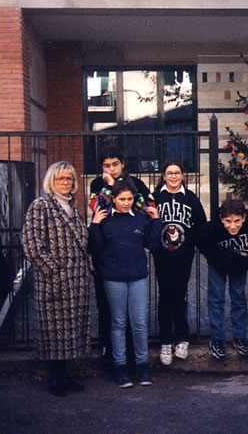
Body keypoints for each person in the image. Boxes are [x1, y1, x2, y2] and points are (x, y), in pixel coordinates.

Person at [22, 161, 92, 397]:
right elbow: (32, 246)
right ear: (50, 182)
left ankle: (66, 375)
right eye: (61, 178)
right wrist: (55, 271)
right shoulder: (40, 206)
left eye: (69, 179)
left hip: (77, 280)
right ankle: (55, 378)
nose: (65, 183)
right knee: (55, 331)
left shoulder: (75, 207)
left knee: (71, 329)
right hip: (55, 280)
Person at [88, 181, 162, 388]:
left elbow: (153, 244)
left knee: (139, 323)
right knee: (118, 323)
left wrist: (156, 221)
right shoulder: (105, 220)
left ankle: (142, 364)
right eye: (122, 199)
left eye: (130, 199)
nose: (126, 203)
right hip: (113, 278)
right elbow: (95, 248)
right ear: (113, 199)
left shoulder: (140, 219)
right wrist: (94, 224)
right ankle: (120, 366)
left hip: (137, 276)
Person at [88, 147, 155, 364]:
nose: (111, 169)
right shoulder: (97, 184)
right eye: (106, 166)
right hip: (106, 252)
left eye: (115, 164)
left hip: (129, 251)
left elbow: (146, 207)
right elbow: (98, 209)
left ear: (123, 163)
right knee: (107, 306)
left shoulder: (136, 183)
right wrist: (108, 186)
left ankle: (132, 355)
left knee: (133, 314)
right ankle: (110, 352)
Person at [152, 160, 207, 366]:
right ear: (163, 176)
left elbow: (201, 223)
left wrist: (191, 242)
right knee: (165, 295)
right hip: (162, 255)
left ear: (183, 175)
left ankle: (181, 338)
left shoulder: (190, 198)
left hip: (183, 255)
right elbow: (149, 222)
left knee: (180, 294)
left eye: (177, 173)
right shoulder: (156, 197)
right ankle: (165, 341)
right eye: (169, 173)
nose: (173, 176)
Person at [198, 199, 248, 360]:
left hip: (239, 265)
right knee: (216, 299)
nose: (232, 226)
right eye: (228, 221)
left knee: (239, 298)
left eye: (237, 221)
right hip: (218, 264)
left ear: (244, 217)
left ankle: (240, 337)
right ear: (221, 218)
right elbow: (200, 241)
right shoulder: (211, 229)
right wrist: (216, 258)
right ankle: (217, 339)